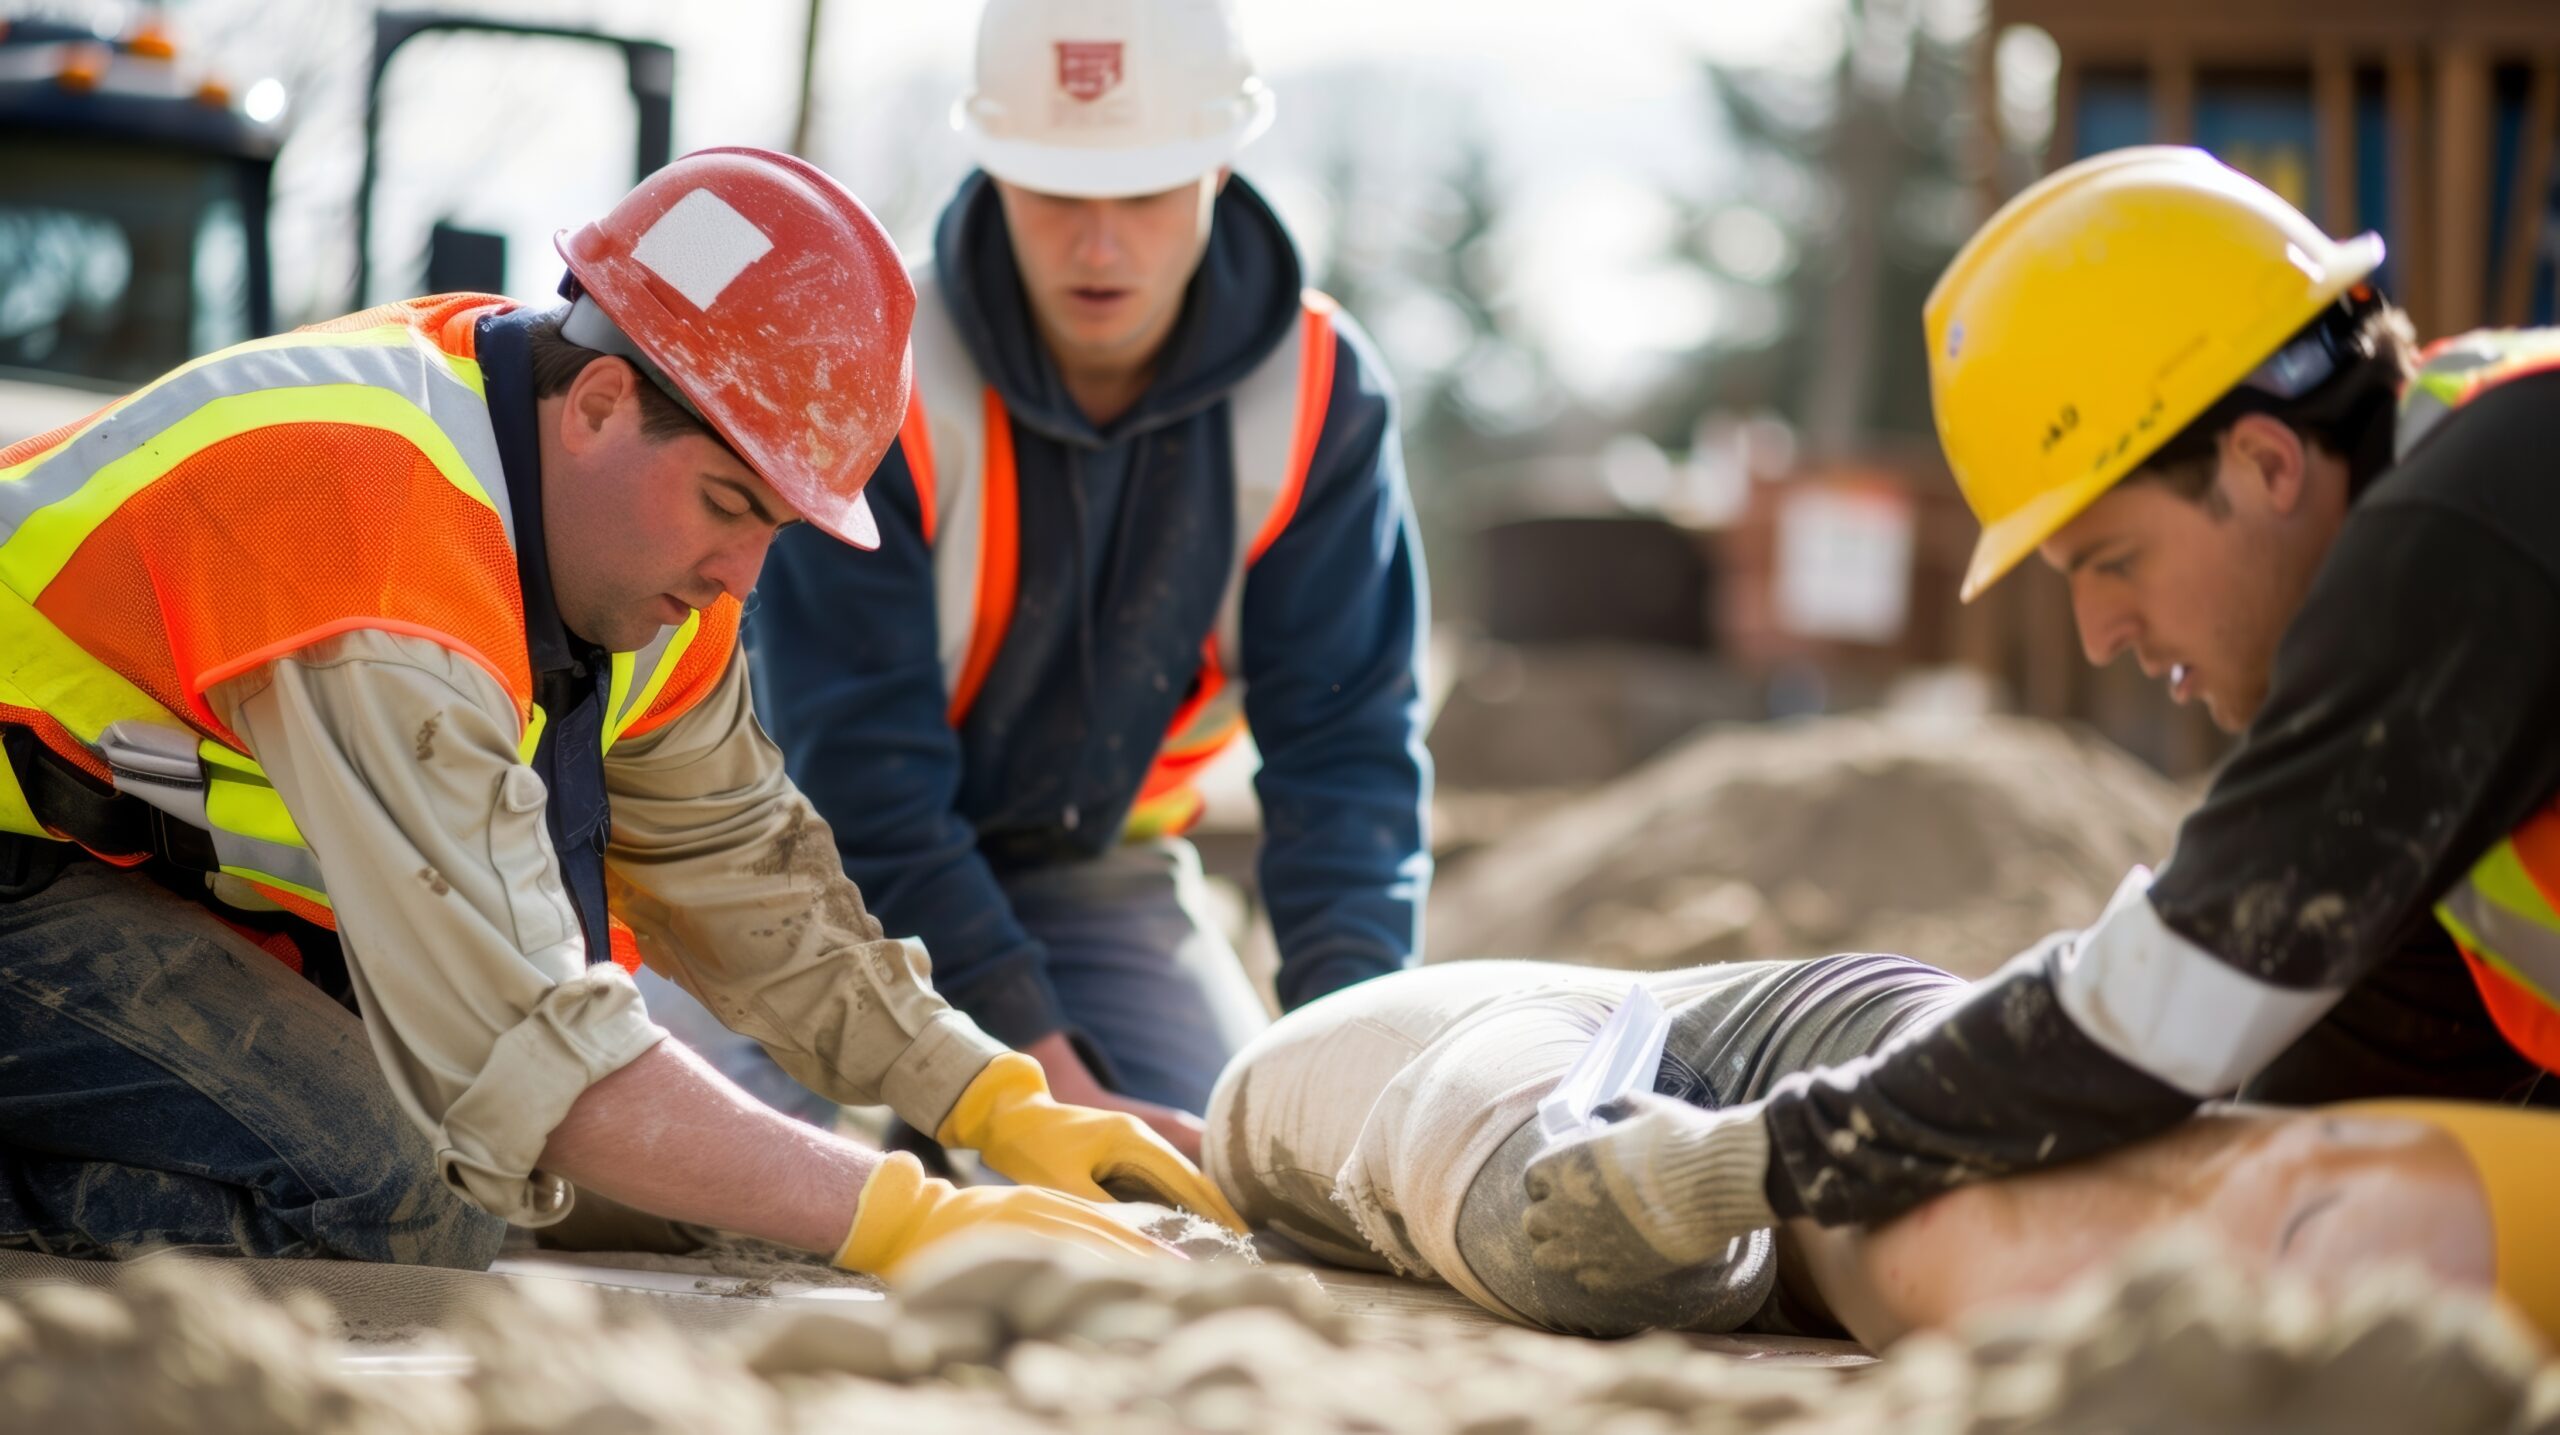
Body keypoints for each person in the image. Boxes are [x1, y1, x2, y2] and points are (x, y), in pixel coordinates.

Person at [0, 146, 1237, 1281]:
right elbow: (524, 1055)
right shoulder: (372, 531)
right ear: (595, 404)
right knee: (395, 1190)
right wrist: (915, 1216)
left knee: (599, 1178)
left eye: (776, 526)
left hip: (86, 875)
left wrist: (993, 1101)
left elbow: (752, 888)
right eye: (727, 503)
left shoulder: (625, 574)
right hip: (23, 872)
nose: (742, 579)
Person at [1514, 147, 2560, 1333]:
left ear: (2265, 463)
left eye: (2114, 562)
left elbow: (2155, 1012)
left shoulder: (2474, 524)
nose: (2102, 630)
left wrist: (1740, 1165)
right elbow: (2313, 1083)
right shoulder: (2463, 600)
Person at [664, 0, 1430, 1159]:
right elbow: (860, 770)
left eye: (1145, 194)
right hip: (795, 859)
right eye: (1060, 194)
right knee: (691, 1176)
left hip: (1091, 875)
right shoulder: (878, 368)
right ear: (992, 165)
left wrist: (1348, 1056)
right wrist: (1033, 1082)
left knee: (1220, 1165)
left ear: (1218, 169)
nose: (1100, 245)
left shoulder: (1323, 395)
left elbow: (1347, 757)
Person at [1207, 956, 2520, 1347]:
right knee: (1578, 1242)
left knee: (2023, 1135)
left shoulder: (1270, 1093)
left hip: (1781, 1016)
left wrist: (1726, 1172)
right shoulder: (1287, 1099)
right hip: (1547, 1044)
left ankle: (2416, 1244)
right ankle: (2416, 1255)